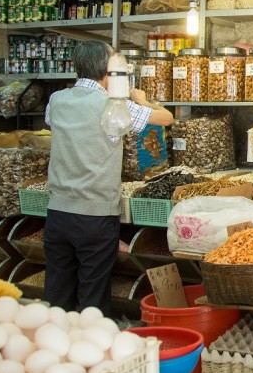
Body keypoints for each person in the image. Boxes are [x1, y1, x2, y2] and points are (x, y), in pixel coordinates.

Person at [43, 41, 173, 315]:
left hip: (57, 211)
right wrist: (141, 100)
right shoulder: (113, 105)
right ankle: (92, 348)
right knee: (92, 293)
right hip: (95, 214)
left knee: (57, 293)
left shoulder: (56, 100)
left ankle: (53, 346)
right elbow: (166, 118)